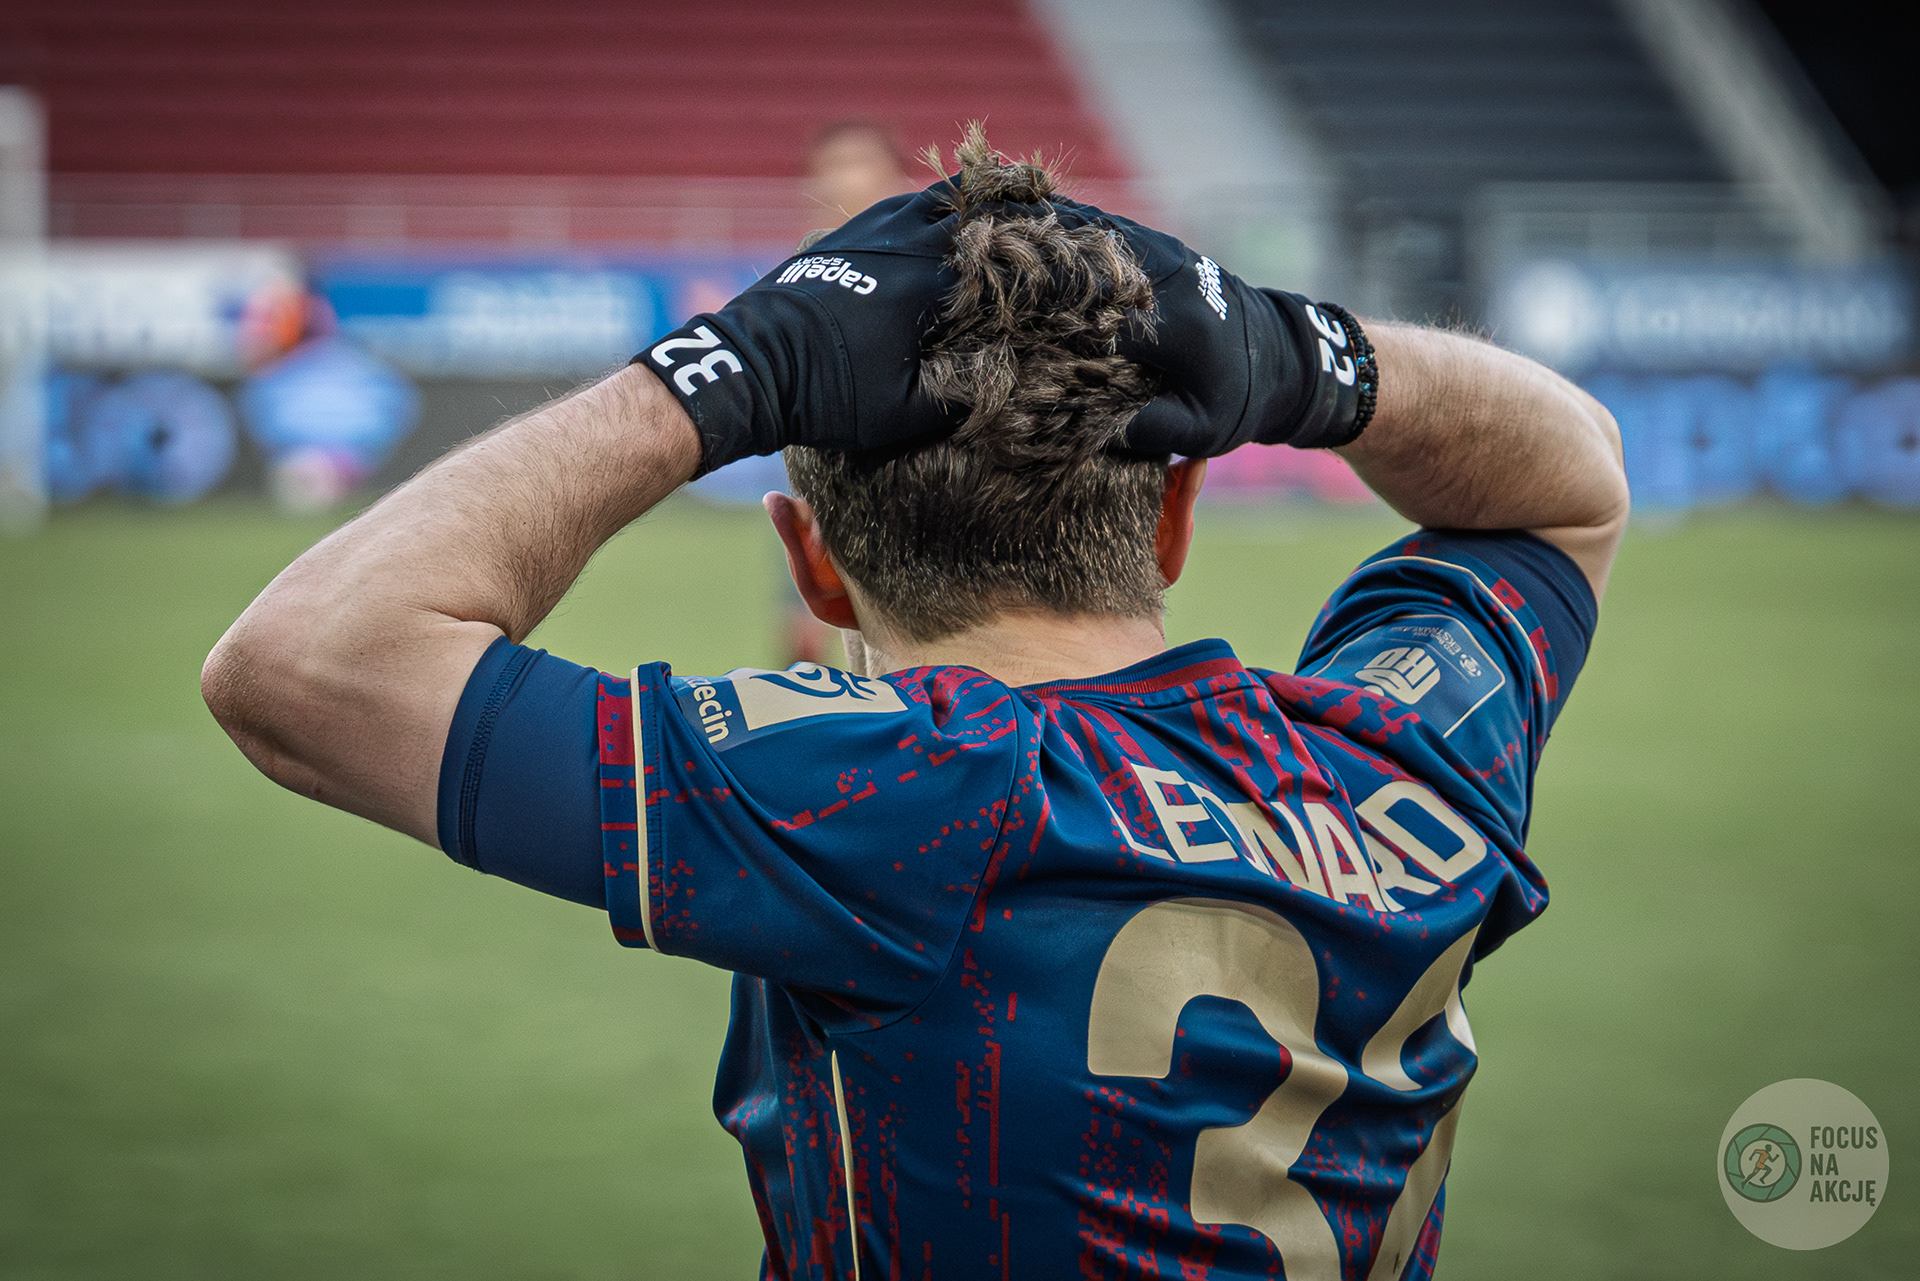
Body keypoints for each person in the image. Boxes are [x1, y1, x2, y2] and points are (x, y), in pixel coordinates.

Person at [202, 131, 1627, 1279]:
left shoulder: (896, 796)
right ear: (1176, 513)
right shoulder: (1405, 749)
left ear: (812, 562)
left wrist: (722, 374)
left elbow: (308, 666)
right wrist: (1288, 348)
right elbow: (1569, 488)